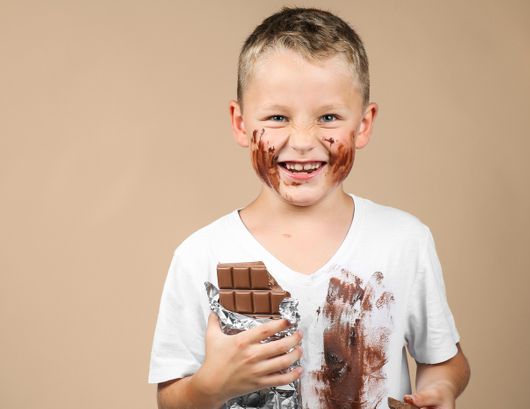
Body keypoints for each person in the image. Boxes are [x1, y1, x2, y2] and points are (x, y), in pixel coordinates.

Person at [148, 6, 471, 409]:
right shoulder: (201, 255)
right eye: (278, 116)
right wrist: (210, 386)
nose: (302, 140)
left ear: (364, 125)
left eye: (329, 117)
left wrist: (439, 389)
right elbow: (171, 400)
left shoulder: (405, 240)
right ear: (240, 123)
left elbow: (445, 361)